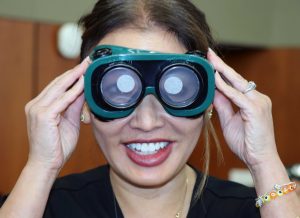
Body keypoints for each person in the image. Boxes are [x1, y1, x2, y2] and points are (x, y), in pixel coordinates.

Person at [0, 0, 299, 217]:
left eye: (178, 88)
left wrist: (264, 161)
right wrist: (40, 167)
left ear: (209, 98)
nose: (146, 122)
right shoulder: (42, 206)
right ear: (84, 101)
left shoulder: (257, 208)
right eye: (116, 89)